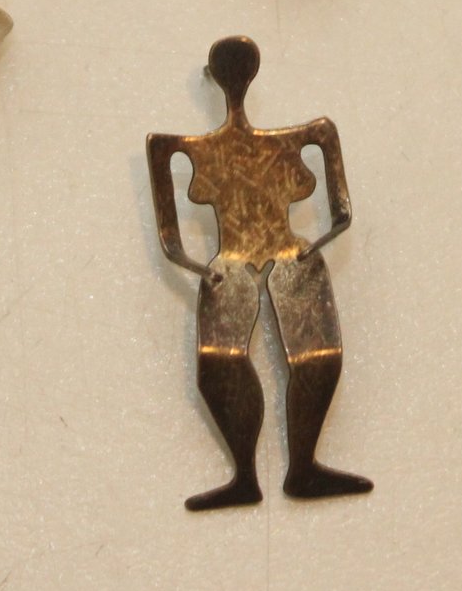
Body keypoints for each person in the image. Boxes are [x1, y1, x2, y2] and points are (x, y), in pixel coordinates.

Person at [146, 37, 372, 508]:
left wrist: (188, 262)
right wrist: (328, 233)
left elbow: (167, 219)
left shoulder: (206, 147)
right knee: (224, 362)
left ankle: (288, 470)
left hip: (269, 259)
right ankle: (263, 475)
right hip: (260, 261)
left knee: (312, 356)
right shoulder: (268, 141)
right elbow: (339, 197)